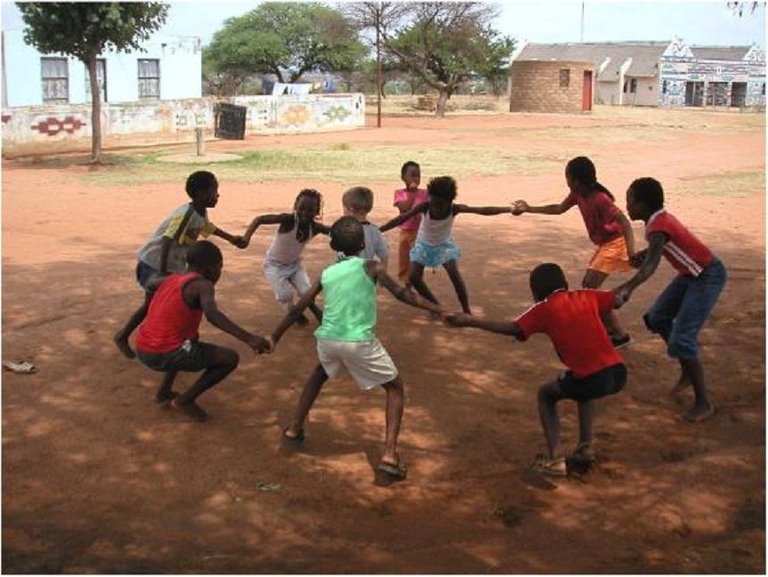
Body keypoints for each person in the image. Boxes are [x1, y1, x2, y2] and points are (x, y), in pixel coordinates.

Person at [269, 216, 444, 480]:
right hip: (358, 342)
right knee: (395, 387)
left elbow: (298, 307)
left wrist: (274, 337)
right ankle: (389, 455)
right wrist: (436, 308)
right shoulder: (370, 266)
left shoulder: (327, 272)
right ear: (363, 243)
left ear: (334, 246)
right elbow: (402, 294)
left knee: (318, 374)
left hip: (328, 339)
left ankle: (295, 428)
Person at [445, 263, 627, 477]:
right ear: (566, 284)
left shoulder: (543, 308)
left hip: (593, 378)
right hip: (618, 372)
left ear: (535, 293)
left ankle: (556, 458)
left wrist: (471, 321)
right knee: (581, 389)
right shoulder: (585, 295)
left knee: (546, 394)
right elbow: (615, 300)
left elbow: (515, 328)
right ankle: (585, 447)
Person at [615, 177, 726, 423]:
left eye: (630, 200)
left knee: (683, 338)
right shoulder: (658, 221)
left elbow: (651, 267)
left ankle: (703, 402)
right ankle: (687, 370)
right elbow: (663, 247)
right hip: (692, 275)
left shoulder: (657, 227)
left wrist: (627, 288)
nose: (628, 206)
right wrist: (643, 255)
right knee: (657, 317)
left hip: (706, 276)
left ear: (642, 205)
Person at [114, 171, 245, 359]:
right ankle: (131, 337)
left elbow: (207, 227)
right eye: (214, 191)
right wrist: (161, 272)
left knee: (152, 304)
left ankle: (134, 337)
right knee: (151, 304)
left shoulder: (200, 212)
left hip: (170, 266)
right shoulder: (187, 213)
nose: (217, 195)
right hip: (154, 263)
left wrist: (231, 238)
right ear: (200, 193)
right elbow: (168, 238)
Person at [135, 240, 271, 422]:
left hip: (142, 347)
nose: (220, 273)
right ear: (209, 270)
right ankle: (185, 400)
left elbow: (151, 283)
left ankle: (164, 392)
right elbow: (213, 315)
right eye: (220, 268)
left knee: (189, 339)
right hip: (164, 352)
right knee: (229, 358)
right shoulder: (203, 285)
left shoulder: (171, 279)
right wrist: (249, 338)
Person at [512, 156, 635, 348]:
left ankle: (619, 334)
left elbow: (625, 223)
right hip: (605, 245)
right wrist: (529, 208)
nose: (566, 182)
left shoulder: (600, 199)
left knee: (590, 290)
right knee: (589, 288)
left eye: (567, 177)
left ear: (576, 180)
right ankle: (614, 330)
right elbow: (559, 209)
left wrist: (632, 252)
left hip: (615, 243)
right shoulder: (577, 194)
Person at [380, 175, 512, 314]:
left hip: (443, 246)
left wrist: (508, 209)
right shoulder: (425, 207)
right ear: (429, 197)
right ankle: (436, 306)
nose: (436, 207)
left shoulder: (454, 209)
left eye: (440, 205)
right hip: (423, 246)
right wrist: (379, 229)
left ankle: (466, 310)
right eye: (433, 203)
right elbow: (402, 218)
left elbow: (482, 210)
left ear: (450, 201)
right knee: (414, 278)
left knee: (454, 275)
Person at [242, 188, 330, 325]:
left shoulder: (316, 227)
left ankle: (313, 309)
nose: (305, 213)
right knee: (285, 296)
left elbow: (334, 232)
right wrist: (246, 238)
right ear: (295, 206)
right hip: (273, 265)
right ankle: (292, 311)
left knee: (307, 293)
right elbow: (259, 219)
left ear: (317, 211)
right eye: (302, 208)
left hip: (295, 266)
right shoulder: (288, 220)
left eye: (310, 210)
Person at [393, 161, 428, 283]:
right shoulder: (399, 193)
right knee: (404, 257)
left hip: (420, 232)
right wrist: (413, 194)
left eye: (418, 175)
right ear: (403, 178)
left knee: (417, 259)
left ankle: (418, 281)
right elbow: (404, 208)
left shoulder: (425, 193)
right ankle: (405, 281)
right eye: (412, 175)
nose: (416, 178)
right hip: (405, 232)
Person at [341, 186, 389, 269]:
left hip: (346, 275)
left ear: (350, 210)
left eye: (344, 208)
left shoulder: (343, 230)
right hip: (366, 275)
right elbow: (384, 254)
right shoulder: (374, 231)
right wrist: (383, 272)